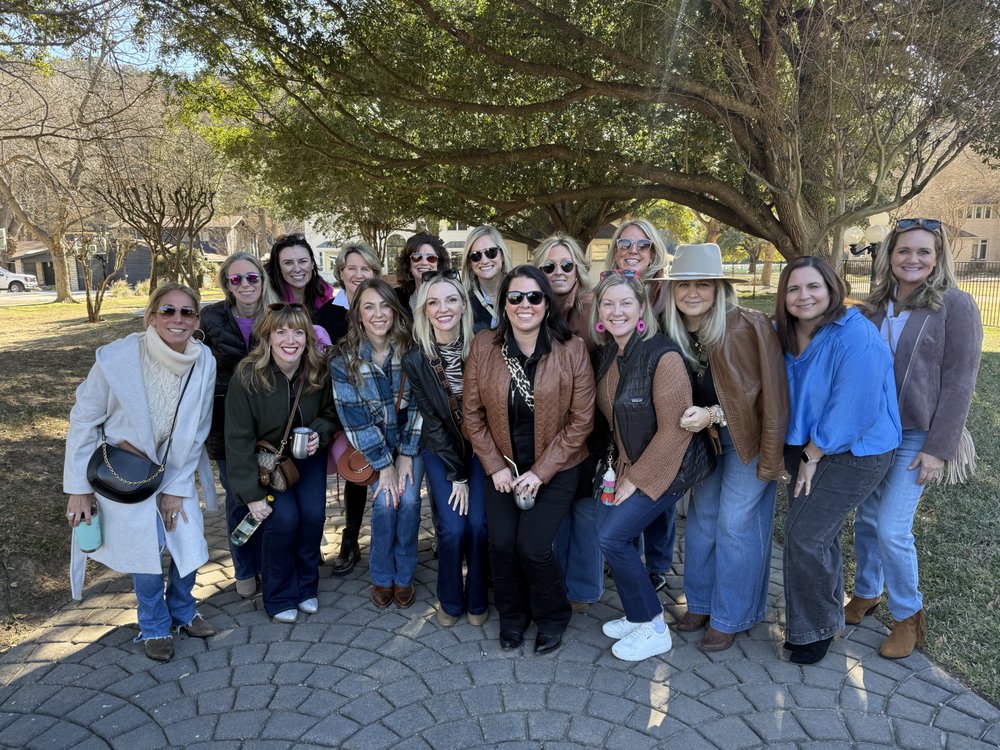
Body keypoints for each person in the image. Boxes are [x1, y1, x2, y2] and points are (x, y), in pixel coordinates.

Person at [848, 218, 982, 659]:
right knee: (866, 520)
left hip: (916, 436)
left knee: (892, 528)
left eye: (924, 251)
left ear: (938, 257)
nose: (914, 259)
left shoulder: (955, 306)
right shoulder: (873, 306)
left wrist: (937, 449)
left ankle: (908, 615)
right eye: (905, 250)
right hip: (871, 434)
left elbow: (960, 381)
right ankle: (866, 593)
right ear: (890, 255)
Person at [64, 283, 217, 662]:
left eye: (187, 312)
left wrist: (177, 487)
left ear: (196, 320)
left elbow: (198, 428)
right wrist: (78, 488)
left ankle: (182, 609)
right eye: (168, 311)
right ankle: (153, 623)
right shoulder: (117, 359)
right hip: (125, 471)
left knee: (188, 541)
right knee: (146, 549)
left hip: (176, 466)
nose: (177, 319)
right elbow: (84, 419)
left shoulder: (204, 360)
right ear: (151, 316)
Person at [661, 243, 789, 652]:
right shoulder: (675, 331)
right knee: (702, 520)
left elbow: (770, 393)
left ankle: (733, 614)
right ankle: (699, 602)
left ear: (719, 287)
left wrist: (769, 452)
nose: (692, 293)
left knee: (735, 524)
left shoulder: (748, 324)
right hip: (706, 442)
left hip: (745, 439)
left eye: (702, 284)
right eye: (683, 285)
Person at [463, 265, 595, 654]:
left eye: (534, 297)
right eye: (515, 297)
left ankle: (553, 616)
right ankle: (513, 617)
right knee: (501, 544)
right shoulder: (484, 346)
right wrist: (494, 466)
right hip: (503, 466)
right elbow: (472, 415)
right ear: (503, 304)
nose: (525, 304)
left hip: (557, 466)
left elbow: (582, 420)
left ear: (546, 303)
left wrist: (540, 473)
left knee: (534, 547)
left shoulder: (571, 349)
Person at [776, 256, 900, 665]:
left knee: (803, 534)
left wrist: (814, 452)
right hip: (806, 447)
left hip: (855, 450)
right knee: (816, 534)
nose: (803, 296)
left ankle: (814, 631)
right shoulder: (785, 332)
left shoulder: (855, 334)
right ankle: (825, 620)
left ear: (832, 289)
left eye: (813, 287)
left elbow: (856, 406)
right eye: (793, 288)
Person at [592, 271, 715, 661]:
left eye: (626, 303)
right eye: (608, 304)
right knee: (616, 537)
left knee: (612, 538)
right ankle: (636, 614)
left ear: (641, 308)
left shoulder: (663, 356)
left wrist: (637, 479)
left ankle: (653, 626)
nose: (617, 311)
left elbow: (676, 431)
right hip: (632, 466)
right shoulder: (613, 352)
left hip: (671, 469)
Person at [225, 303, 339, 623]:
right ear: (268, 337)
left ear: (307, 338)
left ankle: (306, 588)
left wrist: (319, 433)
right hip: (269, 464)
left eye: (298, 332)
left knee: (313, 518)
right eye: (281, 331)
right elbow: (237, 440)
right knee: (284, 521)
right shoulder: (248, 376)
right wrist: (250, 493)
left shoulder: (316, 370)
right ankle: (278, 595)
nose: (290, 339)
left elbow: (331, 413)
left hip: (307, 460)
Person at [403, 271, 489, 626]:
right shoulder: (417, 359)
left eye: (451, 299)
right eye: (433, 302)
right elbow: (432, 423)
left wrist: (481, 463)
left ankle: (479, 598)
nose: (443, 308)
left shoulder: (485, 344)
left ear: (463, 305)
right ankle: (450, 600)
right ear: (424, 310)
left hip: (486, 451)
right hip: (441, 452)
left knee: (480, 526)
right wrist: (457, 475)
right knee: (453, 529)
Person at [330, 279, 423, 609]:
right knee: (386, 503)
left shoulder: (413, 349)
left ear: (395, 311)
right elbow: (353, 419)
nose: (378, 313)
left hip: (411, 440)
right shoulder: (344, 361)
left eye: (384, 306)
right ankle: (383, 575)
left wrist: (407, 456)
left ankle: (405, 574)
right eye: (369, 307)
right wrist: (384, 465)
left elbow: (420, 405)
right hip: (373, 447)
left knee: (409, 502)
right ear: (357, 315)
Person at [532, 233, 602, 611]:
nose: (557, 272)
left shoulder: (593, 308)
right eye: (549, 266)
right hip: (547, 424)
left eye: (566, 265)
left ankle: (584, 590)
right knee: (555, 508)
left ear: (578, 269)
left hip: (594, 423)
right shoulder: (531, 305)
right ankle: (554, 584)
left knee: (587, 511)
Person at [200, 252, 274, 599]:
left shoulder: (276, 315)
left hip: (269, 422)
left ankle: (268, 563)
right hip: (224, 422)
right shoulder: (210, 318)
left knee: (270, 493)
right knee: (239, 497)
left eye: (252, 278)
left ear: (262, 279)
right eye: (236, 279)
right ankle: (244, 566)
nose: (245, 285)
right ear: (226, 285)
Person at [605, 219, 673, 590]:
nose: (633, 251)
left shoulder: (667, 293)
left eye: (642, 244)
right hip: (619, 398)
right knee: (622, 476)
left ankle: (659, 565)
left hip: (660, 398)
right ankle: (623, 553)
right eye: (625, 244)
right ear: (615, 250)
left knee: (659, 481)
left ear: (654, 252)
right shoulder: (604, 289)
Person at [315, 241, 382, 576]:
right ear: (340, 272)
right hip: (340, 407)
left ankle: (389, 542)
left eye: (365, 269)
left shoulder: (384, 308)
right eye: (351, 268)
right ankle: (350, 539)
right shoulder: (326, 315)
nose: (358, 274)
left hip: (381, 406)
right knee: (353, 471)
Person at [461, 225, 514, 332]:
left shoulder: (521, 292)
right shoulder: (463, 300)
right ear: (470, 263)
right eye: (475, 256)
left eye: (491, 252)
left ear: (502, 255)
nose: (484, 261)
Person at [267, 234, 334, 312]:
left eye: (303, 261)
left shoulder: (325, 295)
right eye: (288, 263)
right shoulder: (269, 303)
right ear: (278, 268)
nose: (297, 269)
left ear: (312, 263)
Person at [394, 232, 451, 317]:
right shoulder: (397, 298)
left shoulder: (451, 294)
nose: (424, 262)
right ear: (408, 264)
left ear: (438, 264)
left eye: (431, 258)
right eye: (417, 257)